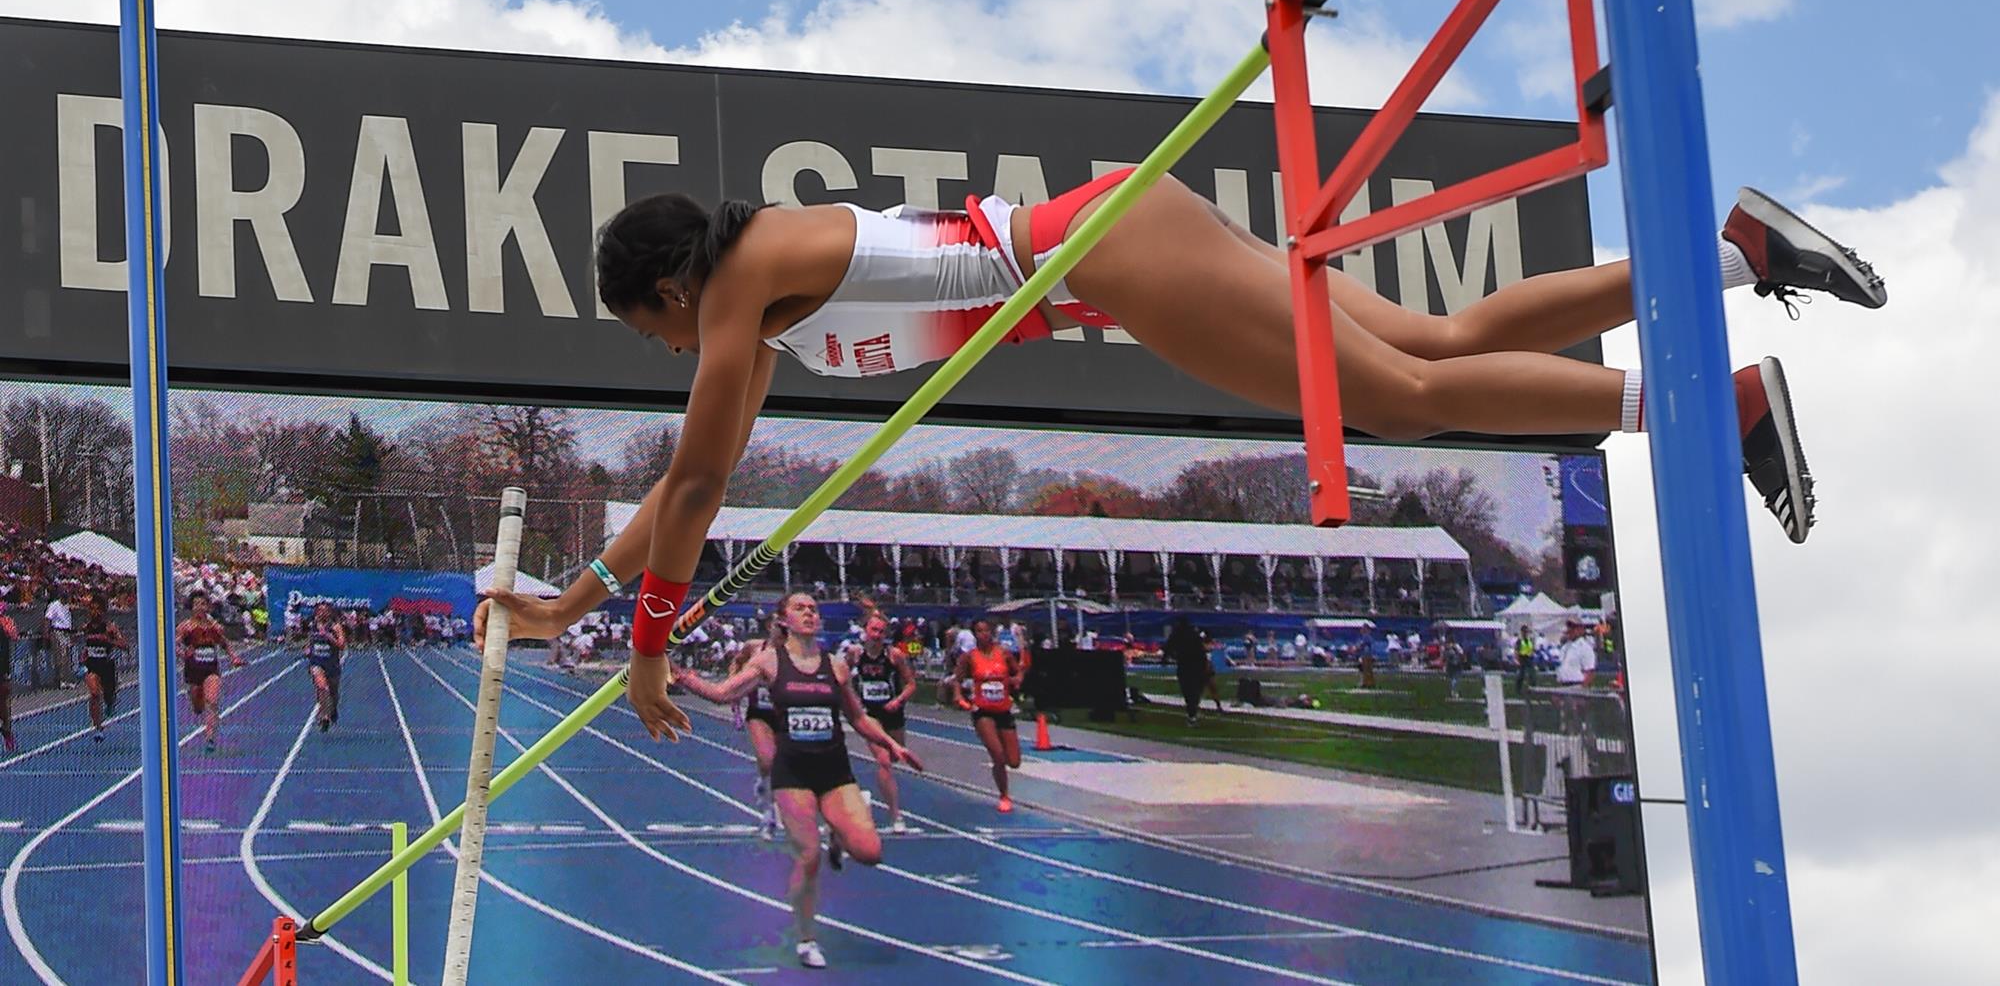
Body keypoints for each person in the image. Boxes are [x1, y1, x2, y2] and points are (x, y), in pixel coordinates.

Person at [475, 175, 1883, 742]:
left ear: (667, 287)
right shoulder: (765, 300)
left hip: (1111, 257)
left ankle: (1714, 405)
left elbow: (705, 487)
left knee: (1390, 397)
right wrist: (579, 607)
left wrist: (649, 653)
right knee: (1437, 343)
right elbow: (673, 495)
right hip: (1120, 243)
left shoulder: (737, 288)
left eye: (648, 329)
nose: (668, 352)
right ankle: (1733, 259)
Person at [668, 592, 922, 970]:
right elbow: (723, 694)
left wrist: (891, 745)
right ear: (784, 620)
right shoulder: (769, 661)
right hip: (794, 772)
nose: (809, 613)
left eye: (814, 609)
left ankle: (841, 828)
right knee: (809, 856)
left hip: (834, 769)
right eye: (800, 608)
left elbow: (857, 718)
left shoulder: (835, 665)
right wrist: (680, 674)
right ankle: (806, 939)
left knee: (870, 852)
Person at [847, 605, 917, 833]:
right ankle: (896, 816)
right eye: (873, 630)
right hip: (870, 715)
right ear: (865, 630)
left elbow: (910, 684)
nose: (876, 635)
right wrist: (853, 700)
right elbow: (843, 677)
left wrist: (898, 701)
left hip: (893, 713)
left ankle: (873, 794)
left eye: (881, 632)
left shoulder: (894, 655)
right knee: (884, 761)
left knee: (896, 756)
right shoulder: (855, 654)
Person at [953, 618, 1024, 812]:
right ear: (974, 634)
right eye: (978, 631)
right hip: (983, 711)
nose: (982, 634)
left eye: (986, 631)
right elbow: (957, 680)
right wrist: (959, 697)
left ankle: (1004, 784)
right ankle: (1004, 795)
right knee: (998, 756)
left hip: (1003, 709)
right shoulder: (969, 657)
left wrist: (1014, 680)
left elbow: (1018, 673)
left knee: (1014, 761)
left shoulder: (1004, 653)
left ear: (991, 633)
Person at [731, 616, 784, 839]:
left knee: (783, 764)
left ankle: (770, 792)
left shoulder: (794, 653)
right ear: (769, 627)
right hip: (758, 712)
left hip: (784, 713)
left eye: (784, 627)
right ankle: (769, 813)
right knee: (766, 759)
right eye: (777, 626)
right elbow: (737, 660)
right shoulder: (754, 647)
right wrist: (733, 683)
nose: (780, 631)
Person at [177, 593, 244, 752]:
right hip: (193, 670)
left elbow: (224, 643)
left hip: (211, 669)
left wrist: (234, 657)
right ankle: (196, 702)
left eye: (203, 604)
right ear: (192, 608)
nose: (200, 607)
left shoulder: (214, 627)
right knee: (198, 706)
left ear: (207, 607)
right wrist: (183, 653)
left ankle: (210, 738)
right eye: (196, 604)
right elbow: (175, 644)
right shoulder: (186, 626)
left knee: (212, 701)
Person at [78, 598, 130, 741]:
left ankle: (110, 702)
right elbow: (86, 647)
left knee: (109, 697)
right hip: (92, 665)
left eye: (97, 609)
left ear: (103, 611)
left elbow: (125, 645)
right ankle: (98, 728)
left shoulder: (110, 628)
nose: (95, 612)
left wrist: (109, 641)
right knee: (94, 694)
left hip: (107, 666)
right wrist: (83, 657)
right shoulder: (86, 627)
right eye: (92, 609)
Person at [305, 601, 346, 733]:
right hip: (316, 662)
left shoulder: (335, 627)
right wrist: (307, 649)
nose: (322, 613)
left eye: (325, 610)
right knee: (322, 688)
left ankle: (332, 709)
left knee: (333, 693)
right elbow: (310, 641)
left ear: (329, 612)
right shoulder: (313, 626)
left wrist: (330, 637)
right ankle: (324, 716)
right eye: (319, 610)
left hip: (332, 663)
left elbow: (342, 645)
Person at [1164, 617, 1213, 724]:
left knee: (1187, 689)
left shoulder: (1177, 633)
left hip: (1185, 664)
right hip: (1198, 663)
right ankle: (1193, 710)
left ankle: (1192, 711)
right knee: (1196, 688)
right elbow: (1202, 647)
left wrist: (1165, 659)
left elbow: (1168, 647)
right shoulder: (1194, 633)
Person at [0, 604, 19, 753]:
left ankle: (6, 730)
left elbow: (14, 635)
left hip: (2, 666)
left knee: (3, 700)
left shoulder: (5, 622)